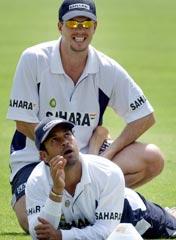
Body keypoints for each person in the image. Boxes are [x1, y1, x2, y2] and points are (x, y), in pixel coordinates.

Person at [7, 0, 164, 232]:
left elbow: (144, 116)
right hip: (36, 157)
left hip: (87, 158)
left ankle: (96, 206)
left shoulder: (106, 68)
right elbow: (22, 121)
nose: (79, 29)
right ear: (60, 26)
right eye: (72, 22)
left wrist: (104, 156)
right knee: (32, 223)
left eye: (86, 22)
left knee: (153, 158)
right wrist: (57, 152)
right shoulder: (34, 59)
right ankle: (97, 208)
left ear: (95, 27)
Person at [26, 118, 176, 240]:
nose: (65, 142)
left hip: (131, 214)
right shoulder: (36, 180)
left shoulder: (108, 172)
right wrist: (56, 192)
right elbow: (40, 235)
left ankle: (170, 214)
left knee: (172, 227)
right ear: (43, 156)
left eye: (67, 135)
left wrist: (61, 235)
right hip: (86, 224)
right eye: (54, 140)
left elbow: (105, 231)